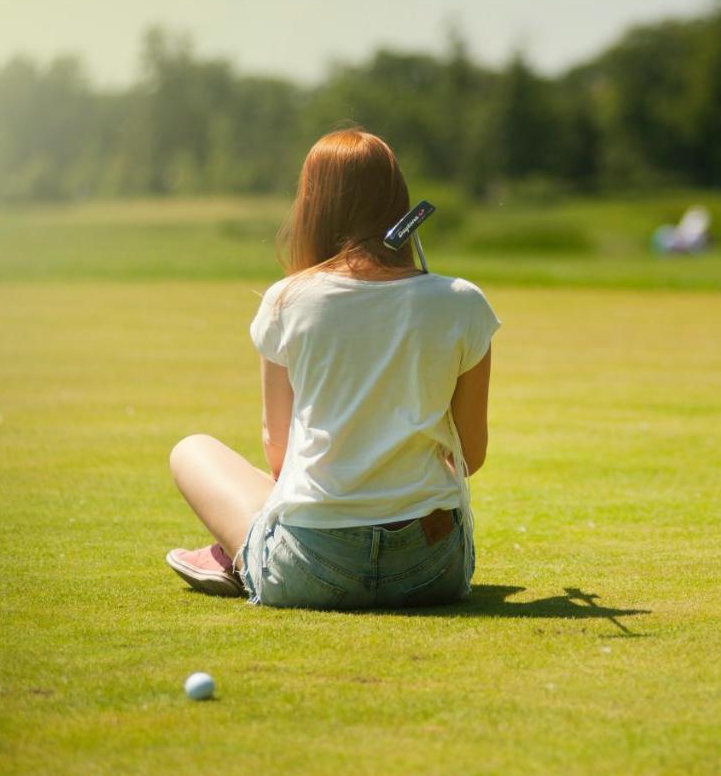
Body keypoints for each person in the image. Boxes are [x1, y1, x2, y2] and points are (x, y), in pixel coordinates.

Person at [165, 127, 500, 610]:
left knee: (191, 450)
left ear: (313, 205)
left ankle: (244, 555)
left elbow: (278, 455)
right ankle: (246, 551)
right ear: (399, 201)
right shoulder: (464, 302)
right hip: (432, 570)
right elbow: (470, 456)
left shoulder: (288, 300)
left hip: (310, 566)